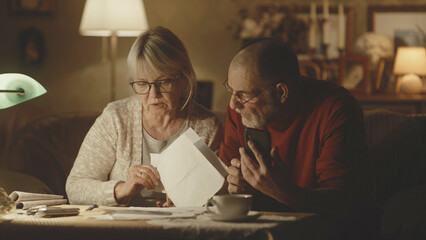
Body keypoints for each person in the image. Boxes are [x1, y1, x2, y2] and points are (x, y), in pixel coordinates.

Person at [219, 38, 379, 238]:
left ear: (281, 92)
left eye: (243, 95)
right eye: (231, 90)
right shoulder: (240, 110)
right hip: (262, 227)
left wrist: (278, 190)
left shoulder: (335, 108)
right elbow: (223, 175)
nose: (233, 104)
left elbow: (341, 204)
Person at [66, 26, 223, 207]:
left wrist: (191, 203)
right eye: (142, 83)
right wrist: (122, 189)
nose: (153, 94)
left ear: (184, 76)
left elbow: (220, 197)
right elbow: (75, 188)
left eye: (163, 82)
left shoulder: (208, 127)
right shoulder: (116, 118)